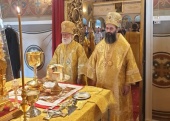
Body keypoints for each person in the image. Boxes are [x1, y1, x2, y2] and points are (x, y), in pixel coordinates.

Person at [86, 12, 142, 121]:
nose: (108, 31)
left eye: (111, 29)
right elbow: (92, 62)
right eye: (107, 28)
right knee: (104, 109)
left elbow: (131, 65)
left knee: (117, 109)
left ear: (117, 29)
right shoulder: (100, 45)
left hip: (118, 86)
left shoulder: (124, 45)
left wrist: (127, 83)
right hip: (101, 85)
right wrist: (92, 79)